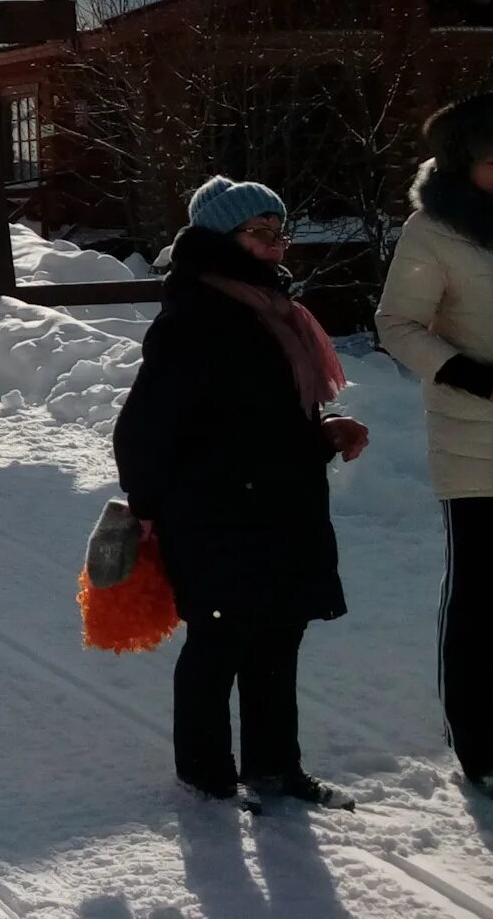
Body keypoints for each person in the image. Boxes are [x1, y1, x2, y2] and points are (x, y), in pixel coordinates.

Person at [114, 175, 368, 809]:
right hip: (215, 510)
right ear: (221, 237)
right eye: (261, 233)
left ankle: (275, 768)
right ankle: (206, 776)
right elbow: (143, 426)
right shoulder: (196, 315)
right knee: (221, 641)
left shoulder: (271, 307)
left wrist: (323, 432)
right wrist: (146, 510)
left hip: (282, 503)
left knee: (279, 639)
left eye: (280, 232)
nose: (277, 246)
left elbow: (271, 418)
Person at [376, 91, 493, 798]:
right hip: (479, 441)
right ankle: (476, 742)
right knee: (475, 598)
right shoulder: (432, 232)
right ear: (462, 165)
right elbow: (398, 325)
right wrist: (472, 375)